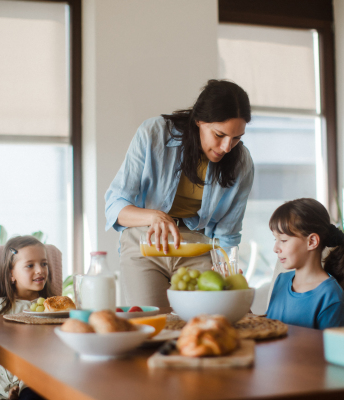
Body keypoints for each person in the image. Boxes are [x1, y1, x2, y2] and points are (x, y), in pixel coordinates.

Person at [105, 79, 254, 308]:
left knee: (211, 322)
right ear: (198, 121)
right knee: (152, 325)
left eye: (236, 138)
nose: (227, 147)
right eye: (219, 134)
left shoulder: (241, 162)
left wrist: (228, 269)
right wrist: (154, 216)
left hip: (198, 247)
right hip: (145, 242)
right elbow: (115, 204)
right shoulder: (153, 133)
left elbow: (228, 232)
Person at [266, 198, 344, 329]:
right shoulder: (281, 281)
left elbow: (334, 349)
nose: (275, 248)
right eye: (275, 239)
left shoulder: (332, 300)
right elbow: (269, 330)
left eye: (283, 240)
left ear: (312, 241)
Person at [0, 236, 54, 400]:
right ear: (11, 274)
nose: (40, 270)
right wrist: (12, 387)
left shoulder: (52, 305)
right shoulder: (1, 308)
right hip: (17, 387)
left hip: (50, 379)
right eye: (30, 265)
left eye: (44, 263)